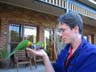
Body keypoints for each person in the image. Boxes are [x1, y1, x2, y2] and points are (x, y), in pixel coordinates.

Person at [26, 11, 96, 72]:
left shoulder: (92, 54)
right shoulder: (65, 51)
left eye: (63, 30)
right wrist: (45, 56)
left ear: (75, 29)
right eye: (59, 31)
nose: (60, 34)